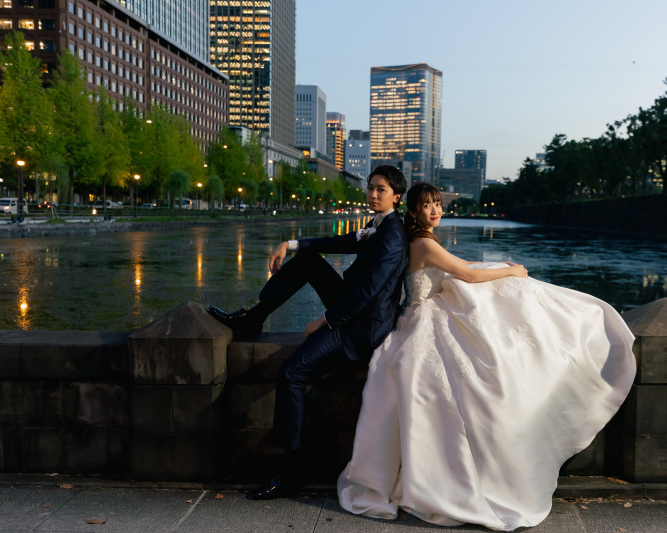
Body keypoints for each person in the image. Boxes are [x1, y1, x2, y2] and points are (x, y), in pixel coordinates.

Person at [337, 183, 637, 531]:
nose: (435, 210)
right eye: (427, 206)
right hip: (422, 317)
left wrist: (499, 267)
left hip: (426, 310)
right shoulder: (423, 243)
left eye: (437, 204)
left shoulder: (420, 240)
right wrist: (510, 270)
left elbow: (460, 267)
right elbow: (466, 274)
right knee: (498, 309)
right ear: (414, 211)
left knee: (493, 308)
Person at [207, 166, 409, 500]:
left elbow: (368, 293)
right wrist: (292, 242)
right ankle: (254, 318)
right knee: (308, 260)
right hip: (352, 307)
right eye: (371, 188)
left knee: (291, 373)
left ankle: (291, 470)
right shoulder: (379, 225)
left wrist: (326, 320)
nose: (373, 194)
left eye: (381, 190)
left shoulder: (392, 234)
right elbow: (342, 241)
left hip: (360, 326)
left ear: (396, 196)